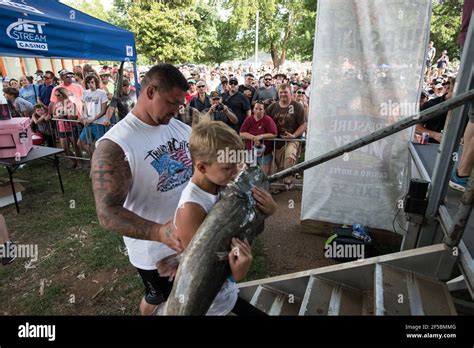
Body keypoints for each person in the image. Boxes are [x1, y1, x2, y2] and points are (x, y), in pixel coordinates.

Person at [91, 64, 191, 316]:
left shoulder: (179, 128)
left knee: (187, 298)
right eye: (172, 103)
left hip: (189, 241)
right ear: (150, 92)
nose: (176, 110)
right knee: (165, 301)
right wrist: (159, 231)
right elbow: (107, 213)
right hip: (155, 253)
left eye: (180, 105)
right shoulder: (115, 145)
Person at [157, 121, 276, 315]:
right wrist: (236, 273)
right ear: (202, 167)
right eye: (228, 168)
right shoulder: (191, 209)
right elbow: (202, 269)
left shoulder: (221, 185)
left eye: (237, 164)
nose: (236, 171)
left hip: (227, 298)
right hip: (211, 308)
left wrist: (267, 210)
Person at [266, 84, 307, 193]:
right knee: (279, 166)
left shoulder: (297, 106)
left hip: (292, 140)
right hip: (277, 141)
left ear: (291, 93)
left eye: (286, 92)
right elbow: (266, 122)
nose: (283, 94)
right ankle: (282, 185)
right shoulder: (272, 107)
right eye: (281, 92)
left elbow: (303, 124)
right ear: (278, 93)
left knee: (289, 157)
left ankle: (288, 181)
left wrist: (294, 135)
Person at [240, 101, 278, 175]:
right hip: (250, 151)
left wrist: (261, 136)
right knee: (249, 173)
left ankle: (262, 186)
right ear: (253, 109)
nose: (258, 111)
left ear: (264, 110)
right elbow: (241, 133)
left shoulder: (268, 120)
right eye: (256, 108)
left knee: (264, 174)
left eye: (260, 109)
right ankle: (250, 187)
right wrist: (254, 138)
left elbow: (274, 134)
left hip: (265, 153)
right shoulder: (249, 119)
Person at [79, 74, 109, 157]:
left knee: (100, 146)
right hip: (88, 123)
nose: (90, 84)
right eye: (88, 83)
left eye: (92, 82)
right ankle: (95, 157)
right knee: (81, 142)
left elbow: (103, 110)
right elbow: (84, 107)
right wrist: (84, 117)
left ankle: (102, 160)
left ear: (96, 82)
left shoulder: (101, 93)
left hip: (98, 123)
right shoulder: (85, 93)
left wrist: (91, 120)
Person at [53, 87, 81, 168]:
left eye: (58, 95)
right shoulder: (57, 104)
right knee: (65, 148)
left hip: (72, 127)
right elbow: (54, 115)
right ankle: (74, 161)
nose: (57, 97)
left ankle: (79, 163)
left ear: (63, 94)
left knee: (75, 147)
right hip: (62, 128)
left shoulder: (72, 103)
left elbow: (75, 116)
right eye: (56, 95)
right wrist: (57, 116)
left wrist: (66, 115)